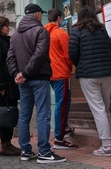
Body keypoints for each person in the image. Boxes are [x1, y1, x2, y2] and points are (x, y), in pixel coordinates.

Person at [6, 3, 66, 164]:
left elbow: (10, 58)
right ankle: (44, 152)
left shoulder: (15, 35)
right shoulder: (41, 31)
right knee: (42, 114)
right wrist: (24, 73)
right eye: (41, 14)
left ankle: (25, 150)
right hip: (38, 78)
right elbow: (39, 55)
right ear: (37, 15)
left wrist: (17, 74)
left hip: (23, 81)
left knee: (25, 115)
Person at [69, 5, 111, 157]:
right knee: (105, 108)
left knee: (98, 109)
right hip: (107, 73)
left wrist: (81, 65)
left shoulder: (76, 31)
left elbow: (73, 53)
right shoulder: (102, 30)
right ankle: (110, 141)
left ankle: (106, 145)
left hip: (89, 75)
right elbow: (109, 49)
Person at [44, 8, 78, 150]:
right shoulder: (61, 33)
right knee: (62, 104)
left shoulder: (44, 34)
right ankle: (59, 138)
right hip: (61, 73)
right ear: (59, 18)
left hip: (49, 73)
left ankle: (62, 128)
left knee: (61, 102)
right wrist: (70, 69)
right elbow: (67, 55)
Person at [0, 16, 20, 156]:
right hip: (4, 84)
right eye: (6, 25)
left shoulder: (5, 40)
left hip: (9, 82)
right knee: (6, 112)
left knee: (9, 111)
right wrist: (0, 85)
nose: (8, 28)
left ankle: (7, 143)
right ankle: (5, 144)